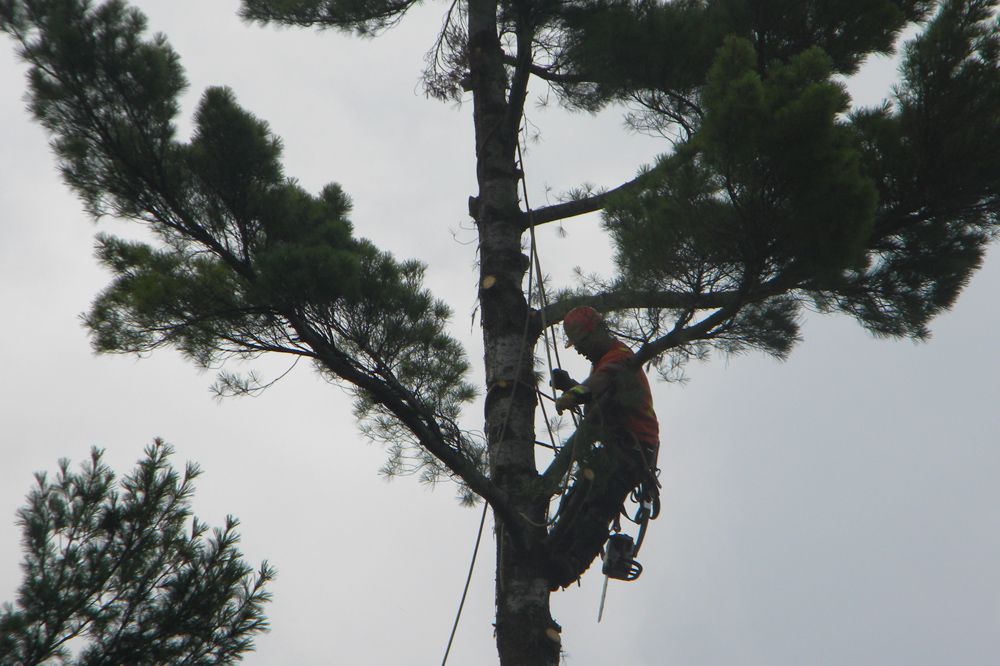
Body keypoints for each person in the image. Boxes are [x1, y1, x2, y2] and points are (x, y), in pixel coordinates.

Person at [552, 306, 659, 475]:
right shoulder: (600, 364)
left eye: (581, 343)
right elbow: (598, 395)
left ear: (598, 333)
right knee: (578, 500)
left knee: (600, 501)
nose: (579, 351)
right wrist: (569, 385)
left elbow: (601, 381)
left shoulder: (620, 356)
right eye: (576, 346)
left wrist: (573, 394)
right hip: (618, 446)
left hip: (636, 446)